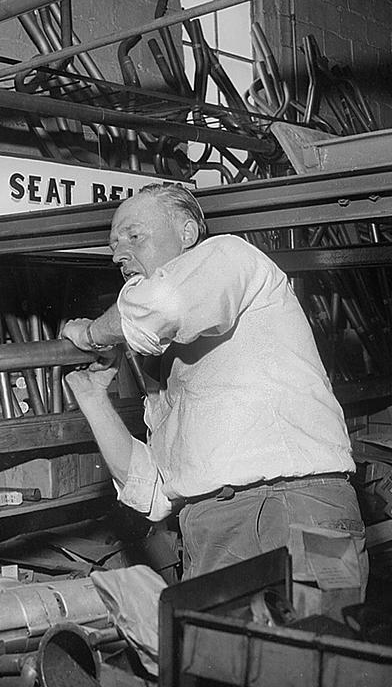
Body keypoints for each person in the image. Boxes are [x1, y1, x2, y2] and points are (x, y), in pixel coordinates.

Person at [62, 184, 367, 591]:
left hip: (295, 506)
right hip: (212, 526)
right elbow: (152, 489)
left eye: (134, 237)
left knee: (326, 644)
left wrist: (91, 334)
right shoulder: (166, 364)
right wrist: (92, 395)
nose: (119, 254)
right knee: (222, 654)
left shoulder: (230, 256)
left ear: (187, 233)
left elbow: (165, 304)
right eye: (114, 246)